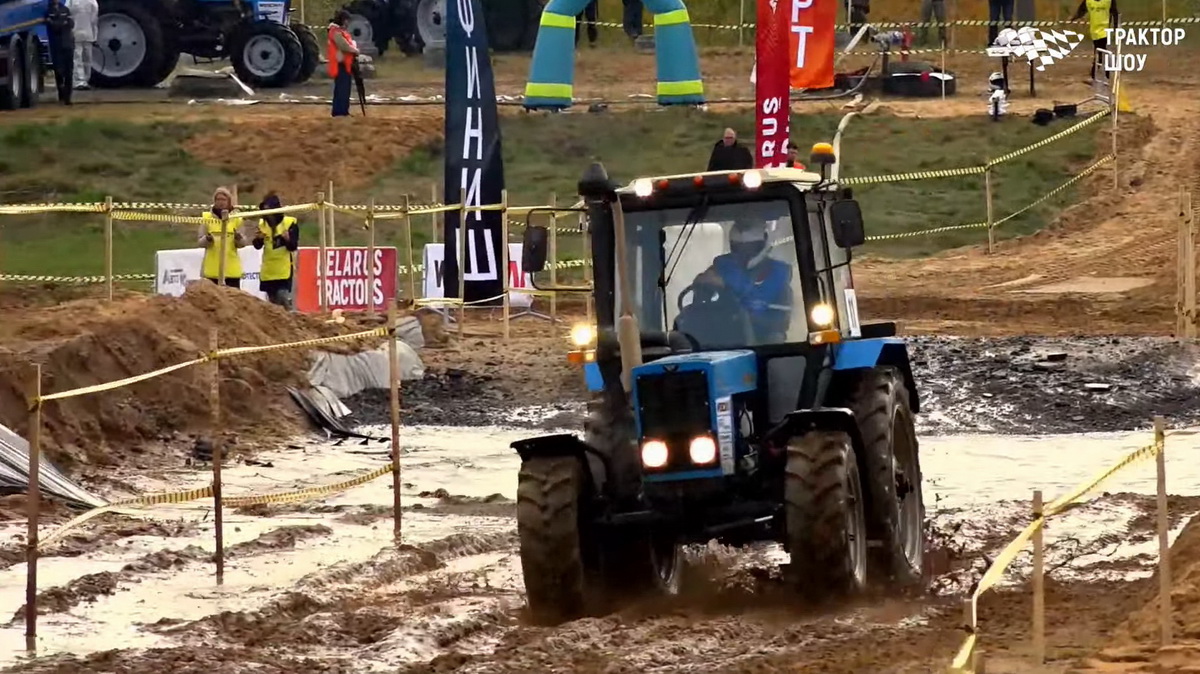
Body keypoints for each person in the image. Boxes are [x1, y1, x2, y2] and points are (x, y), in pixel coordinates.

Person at [694, 220, 792, 344]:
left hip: (763, 338)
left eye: (750, 248)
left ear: (764, 243)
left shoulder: (778, 273)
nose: (744, 253)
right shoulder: (722, 266)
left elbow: (781, 321)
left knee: (776, 341)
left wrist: (748, 316)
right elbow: (702, 288)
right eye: (738, 247)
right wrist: (702, 282)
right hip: (722, 332)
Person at [253, 193, 300, 309]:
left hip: (284, 270)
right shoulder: (262, 224)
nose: (268, 214)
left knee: (283, 299)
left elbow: (293, 246)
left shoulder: (289, 223)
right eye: (265, 210)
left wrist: (287, 239)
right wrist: (258, 240)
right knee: (272, 306)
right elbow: (257, 246)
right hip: (268, 270)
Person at [198, 186, 246, 288]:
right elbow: (200, 241)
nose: (221, 202)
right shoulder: (207, 218)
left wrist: (238, 238)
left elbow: (243, 243)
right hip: (212, 269)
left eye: (223, 199)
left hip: (231, 269)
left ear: (229, 201)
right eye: (218, 199)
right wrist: (207, 239)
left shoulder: (236, 218)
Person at [1071, 0, 1119, 82]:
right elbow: (1082, 10)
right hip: (1094, 31)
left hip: (1105, 30)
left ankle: (1098, 75)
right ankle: (1102, 74)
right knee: (1099, 51)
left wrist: (1115, 27)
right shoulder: (1089, 1)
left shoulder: (1108, 1)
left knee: (1101, 51)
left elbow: (1115, 13)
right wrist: (1074, 18)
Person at [327, 10, 359, 118]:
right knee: (342, 89)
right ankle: (339, 112)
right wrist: (355, 50)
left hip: (344, 64)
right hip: (340, 64)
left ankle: (342, 111)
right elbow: (343, 46)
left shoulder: (338, 31)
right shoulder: (336, 32)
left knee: (344, 89)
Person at [45, 0, 74, 105]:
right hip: (56, 46)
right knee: (58, 70)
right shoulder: (49, 11)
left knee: (69, 72)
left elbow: (71, 23)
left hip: (68, 44)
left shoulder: (65, 9)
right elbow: (52, 26)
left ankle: (68, 97)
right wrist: (62, 23)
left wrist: (57, 23)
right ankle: (61, 92)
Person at [70, 0, 98, 90]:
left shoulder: (92, 2)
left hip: (86, 34)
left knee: (85, 58)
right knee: (79, 58)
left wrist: (95, 36)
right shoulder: (71, 1)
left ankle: (84, 80)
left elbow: (94, 20)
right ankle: (79, 81)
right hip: (77, 33)